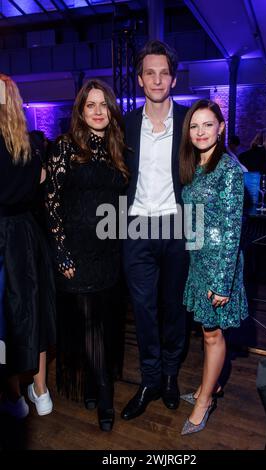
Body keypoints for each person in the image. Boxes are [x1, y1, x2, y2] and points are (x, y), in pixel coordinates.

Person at [46, 79, 128, 432]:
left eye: (103, 105)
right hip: (77, 253)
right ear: (80, 111)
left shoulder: (117, 149)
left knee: (105, 323)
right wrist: (62, 253)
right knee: (91, 323)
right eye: (90, 105)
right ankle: (105, 394)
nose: (97, 111)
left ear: (111, 110)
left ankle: (95, 384)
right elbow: (51, 203)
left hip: (109, 252)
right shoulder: (66, 147)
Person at [121, 40, 189, 421]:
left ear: (173, 79)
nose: (157, 79)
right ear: (140, 79)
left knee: (174, 308)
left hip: (178, 227)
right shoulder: (127, 123)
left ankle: (169, 376)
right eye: (151, 72)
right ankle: (148, 380)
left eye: (164, 72)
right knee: (144, 311)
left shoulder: (188, 122)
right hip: (135, 229)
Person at [179, 99, 248, 435]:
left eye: (208, 124)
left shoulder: (230, 170)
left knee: (212, 335)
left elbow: (233, 228)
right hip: (199, 262)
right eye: (194, 126)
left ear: (221, 127)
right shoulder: (196, 166)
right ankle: (212, 385)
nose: (201, 131)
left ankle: (204, 400)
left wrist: (223, 282)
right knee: (208, 333)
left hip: (219, 264)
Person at [0, 74, 55, 419]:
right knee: (35, 312)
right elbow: (42, 182)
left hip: (4, 238)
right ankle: (41, 390)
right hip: (27, 235)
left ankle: (14, 396)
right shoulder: (32, 145)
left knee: (6, 319)